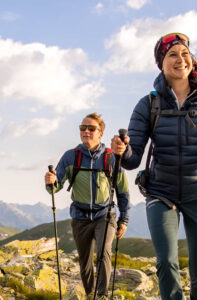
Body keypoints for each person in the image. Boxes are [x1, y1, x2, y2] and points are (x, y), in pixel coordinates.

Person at [111, 33, 197, 300]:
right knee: (166, 265)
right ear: (161, 63)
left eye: (185, 53)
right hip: (161, 192)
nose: (180, 59)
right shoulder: (148, 104)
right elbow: (133, 160)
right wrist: (121, 151)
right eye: (172, 54)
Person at [45, 112, 131, 299]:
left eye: (91, 128)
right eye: (83, 128)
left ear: (100, 133)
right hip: (80, 216)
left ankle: (101, 295)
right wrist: (50, 182)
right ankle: (90, 293)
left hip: (105, 214)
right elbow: (55, 187)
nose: (86, 131)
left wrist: (124, 220)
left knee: (103, 253)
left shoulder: (111, 158)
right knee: (84, 261)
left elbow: (123, 191)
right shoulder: (71, 157)